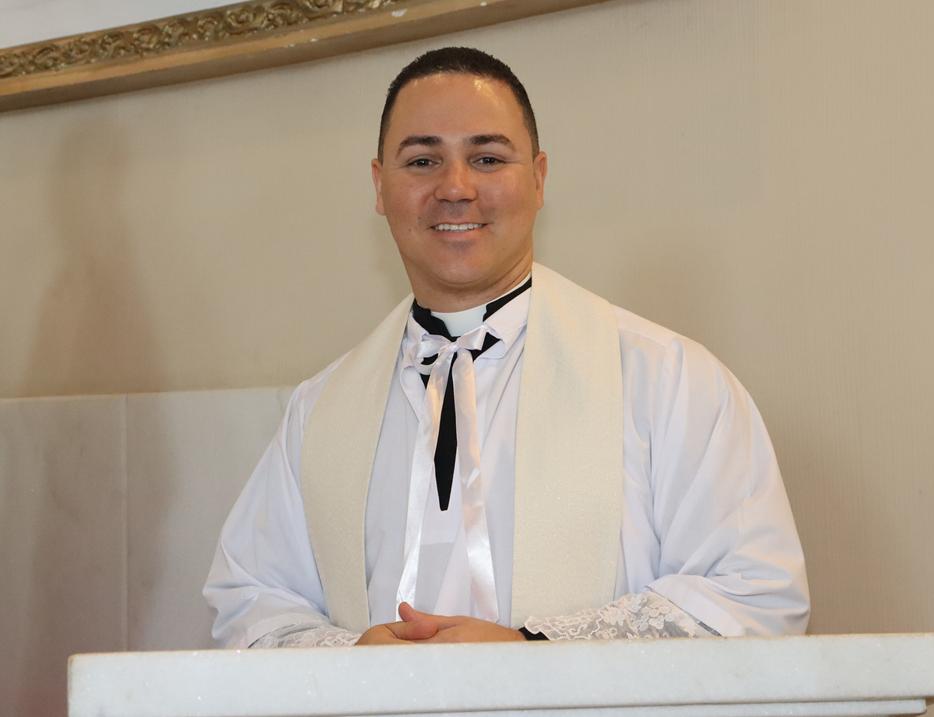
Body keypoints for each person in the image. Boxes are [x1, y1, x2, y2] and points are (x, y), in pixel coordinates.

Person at [204, 47, 809, 648]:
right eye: (422, 161)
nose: (455, 187)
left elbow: (753, 598)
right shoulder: (320, 410)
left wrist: (530, 650)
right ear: (380, 186)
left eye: (488, 158)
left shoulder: (665, 379)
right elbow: (251, 603)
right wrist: (355, 658)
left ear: (538, 179)